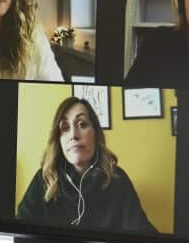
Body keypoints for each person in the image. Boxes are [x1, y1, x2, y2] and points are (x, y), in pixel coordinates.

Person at [16, 97, 157, 233]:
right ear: (58, 140)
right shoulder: (44, 179)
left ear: (95, 133)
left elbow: (142, 232)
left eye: (82, 124)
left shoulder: (117, 179)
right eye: (65, 127)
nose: (73, 135)